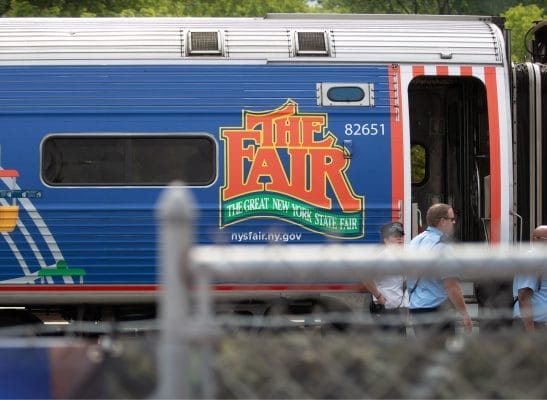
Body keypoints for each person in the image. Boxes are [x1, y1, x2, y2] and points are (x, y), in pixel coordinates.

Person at [408, 203, 473, 335]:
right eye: (452, 219)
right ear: (442, 221)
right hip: (437, 311)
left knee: (424, 353)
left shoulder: (415, 241)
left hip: (416, 308)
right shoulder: (444, 246)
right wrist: (465, 314)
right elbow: (451, 286)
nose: (454, 223)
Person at [363, 221, 409, 335]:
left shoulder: (402, 256)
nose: (400, 239)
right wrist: (379, 296)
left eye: (401, 235)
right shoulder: (383, 257)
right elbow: (365, 277)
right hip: (384, 310)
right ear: (386, 240)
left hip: (397, 310)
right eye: (395, 236)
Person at [513, 225, 547, 332]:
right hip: (532, 324)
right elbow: (523, 297)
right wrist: (531, 334)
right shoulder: (532, 259)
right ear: (536, 239)